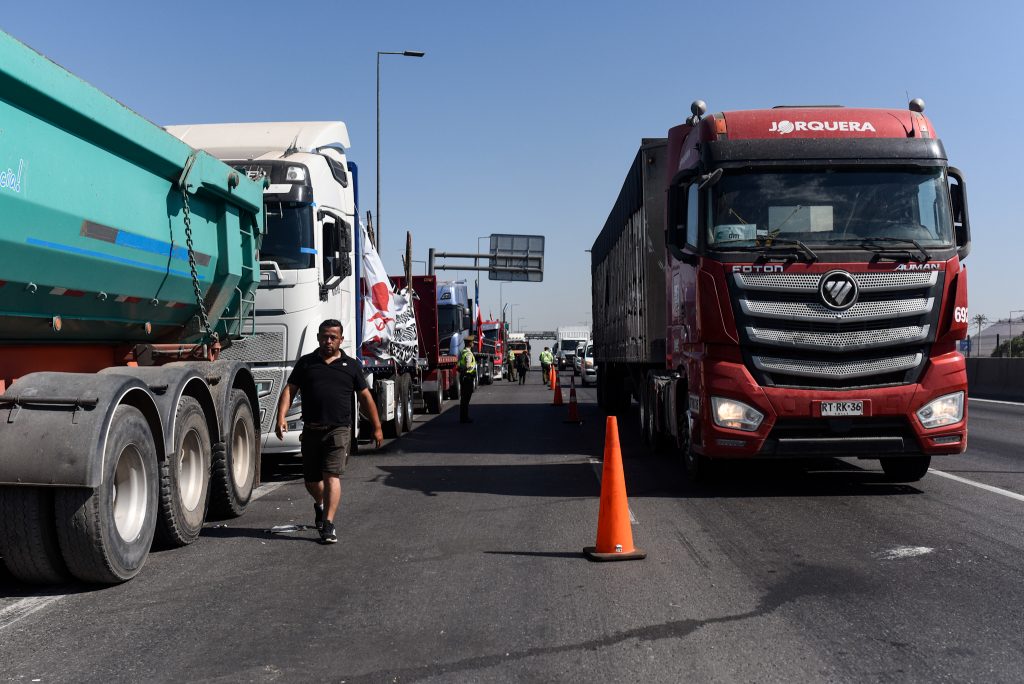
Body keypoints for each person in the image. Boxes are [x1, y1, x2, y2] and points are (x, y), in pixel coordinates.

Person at [275, 319, 383, 545]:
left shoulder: (351, 365)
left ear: (341, 340)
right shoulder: (306, 363)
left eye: (333, 337)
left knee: (331, 475)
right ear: (317, 338)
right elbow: (289, 390)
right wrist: (281, 417)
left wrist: (377, 427)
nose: (328, 341)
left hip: (338, 430)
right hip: (311, 430)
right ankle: (321, 505)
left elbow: (365, 397)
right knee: (312, 481)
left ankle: (328, 524)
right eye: (324, 336)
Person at [458, 335, 477, 423]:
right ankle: (465, 418)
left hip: (463, 377)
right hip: (468, 378)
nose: (473, 343)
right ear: (470, 343)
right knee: (466, 399)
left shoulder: (463, 352)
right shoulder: (468, 353)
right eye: (472, 342)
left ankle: (463, 417)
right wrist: (466, 370)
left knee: (463, 399)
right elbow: (468, 365)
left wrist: (462, 371)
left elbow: (459, 365)